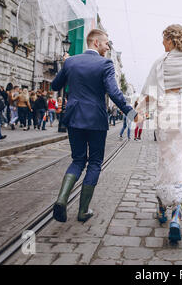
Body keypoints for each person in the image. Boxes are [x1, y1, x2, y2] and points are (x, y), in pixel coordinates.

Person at [51, 29, 138, 224]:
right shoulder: (105, 63)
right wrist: (132, 113)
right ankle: (83, 210)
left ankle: (61, 199)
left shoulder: (71, 62)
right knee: (95, 162)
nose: (108, 47)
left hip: (73, 118)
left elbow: (55, 86)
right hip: (96, 120)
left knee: (78, 160)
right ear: (97, 42)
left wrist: (65, 65)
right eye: (106, 43)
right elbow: (115, 93)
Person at [136, 24, 182, 244]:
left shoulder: (160, 62)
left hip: (166, 112)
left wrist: (136, 113)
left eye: (163, 39)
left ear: (170, 40)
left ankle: (161, 206)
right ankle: (176, 214)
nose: (162, 44)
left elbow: (149, 95)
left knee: (166, 160)